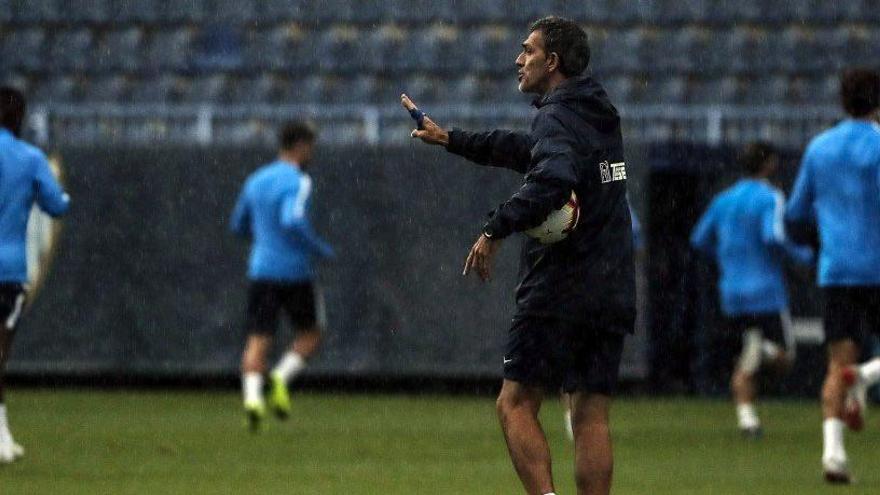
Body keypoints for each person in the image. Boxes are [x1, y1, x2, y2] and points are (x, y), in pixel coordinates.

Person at [403, 16, 634, 495]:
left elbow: (552, 179)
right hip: (610, 284)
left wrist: (495, 226)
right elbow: (528, 150)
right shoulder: (596, 110)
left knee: (515, 403)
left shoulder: (556, 116)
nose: (517, 59)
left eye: (527, 50)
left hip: (562, 286)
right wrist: (453, 139)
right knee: (590, 413)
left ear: (552, 62)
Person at [785, 68, 880, 484]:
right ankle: (866, 375)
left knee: (834, 364)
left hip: (836, 269)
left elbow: (796, 215)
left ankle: (833, 457)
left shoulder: (819, 147)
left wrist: (820, 245)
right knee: (854, 367)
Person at [689, 142, 812, 439]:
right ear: (768, 164)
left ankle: (748, 421)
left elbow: (699, 239)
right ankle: (763, 349)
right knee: (784, 356)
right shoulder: (771, 196)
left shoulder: (724, 199)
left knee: (745, 361)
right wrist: (802, 256)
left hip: (732, 293)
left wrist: (727, 258)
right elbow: (773, 237)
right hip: (766, 291)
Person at [230, 121, 333, 432]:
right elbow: (292, 220)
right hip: (295, 271)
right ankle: (280, 378)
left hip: (262, 270)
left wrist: (265, 241)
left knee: (258, 340)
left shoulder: (255, 180)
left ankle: (252, 400)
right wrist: (317, 247)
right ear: (301, 146)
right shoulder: (298, 181)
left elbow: (238, 225)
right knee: (311, 334)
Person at [0, 86, 70, 463]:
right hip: (8, 268)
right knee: (1, 352)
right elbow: (56, 205)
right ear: (20, 120)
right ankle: (0, 435)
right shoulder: (29, 158)